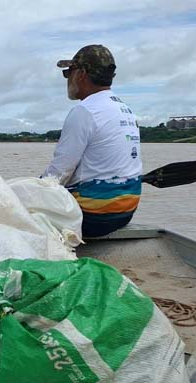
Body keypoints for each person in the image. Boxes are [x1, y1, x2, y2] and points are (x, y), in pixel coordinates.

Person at [42, 44, 142, 238]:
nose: (67, 80)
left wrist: (31, 191)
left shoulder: (84, 111)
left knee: (22, 206)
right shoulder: (125, 109)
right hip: (125, 213)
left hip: (93, 218)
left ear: (81, 74)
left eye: (67, 73)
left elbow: (59, 174)